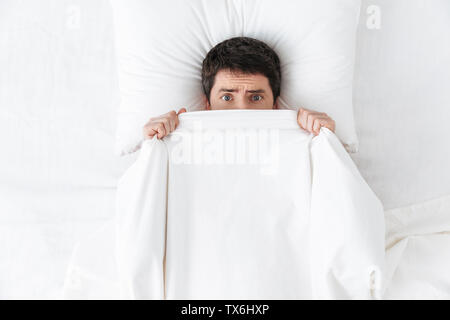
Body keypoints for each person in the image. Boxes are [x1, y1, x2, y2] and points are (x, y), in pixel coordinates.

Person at [143, 36, 335, 139]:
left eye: (256, 97)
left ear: (275, 105)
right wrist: (153, 146)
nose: (242, 110)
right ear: (207, 104)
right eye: (227, 97)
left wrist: (326, 141)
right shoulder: (179, 141)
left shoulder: (305, 140)